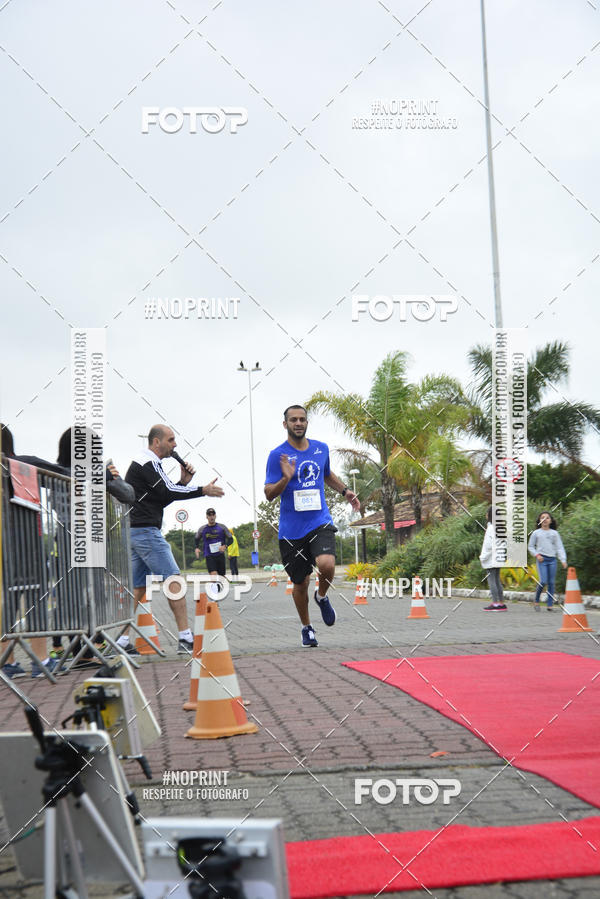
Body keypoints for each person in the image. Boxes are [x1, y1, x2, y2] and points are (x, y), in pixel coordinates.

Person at [264, 404, 359, 647]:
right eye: (293, 420)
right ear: (285, 424)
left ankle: (322, 596)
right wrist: (285, 478)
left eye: (302, 419)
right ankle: (307, 627)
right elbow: (268, 494)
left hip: (319, 520)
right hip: (291, 529)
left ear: (307, 423)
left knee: (326, 564)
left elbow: (326, 474)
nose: (298, 423)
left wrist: (345, 491)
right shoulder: (278, 456)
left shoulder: (321, 448)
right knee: (300, 582)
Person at [125, 424, 223, 652]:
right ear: (156, 442)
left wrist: (182, 483)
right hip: (146, 531)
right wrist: (202, 490)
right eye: (171, 440)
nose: (175, 444)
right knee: (174, 581)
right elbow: (167, 491)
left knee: (139, 588)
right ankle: (185, 637)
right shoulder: (147, 462)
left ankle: (121, 641)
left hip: (136, 530)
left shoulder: (147, 463)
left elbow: (160, 498)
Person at [528, 510, 567, 611]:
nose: (545, 519)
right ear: (539, 520)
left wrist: (563, 559)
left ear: (551, 521)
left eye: (547, 517)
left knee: (551, 582)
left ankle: (550, 605)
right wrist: (537, 555)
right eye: (542, 517)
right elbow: (531, 547)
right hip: (542, 560)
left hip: (552, 560)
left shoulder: (555, 533)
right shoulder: (536, 533)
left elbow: (559, 547)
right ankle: (536, 600)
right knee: (543, 581)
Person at [479, 505, 507, 612]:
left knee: (492, 581)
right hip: (499, 558)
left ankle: (495, 603)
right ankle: (501, 603)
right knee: (497, 580)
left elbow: (488, 545)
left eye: (487, 513)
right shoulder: (501, 528)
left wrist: (483, 557)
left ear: (490, 515)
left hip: (491, 558)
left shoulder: (491, 528)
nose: (485, 515)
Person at [195, 510, 233, 581]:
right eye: (209, 515)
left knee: (221, 577)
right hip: (209, 555)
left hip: (220, 555)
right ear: (207, 517)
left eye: (213, 515)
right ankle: (215, 591)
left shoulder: (222, 527)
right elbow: (196, 538)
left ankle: (220, 589)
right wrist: (196, 548)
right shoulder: (202, 529)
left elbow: (231, 539)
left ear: (215, 516)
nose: (211, 517)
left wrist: (225, 546)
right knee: (213, 575)